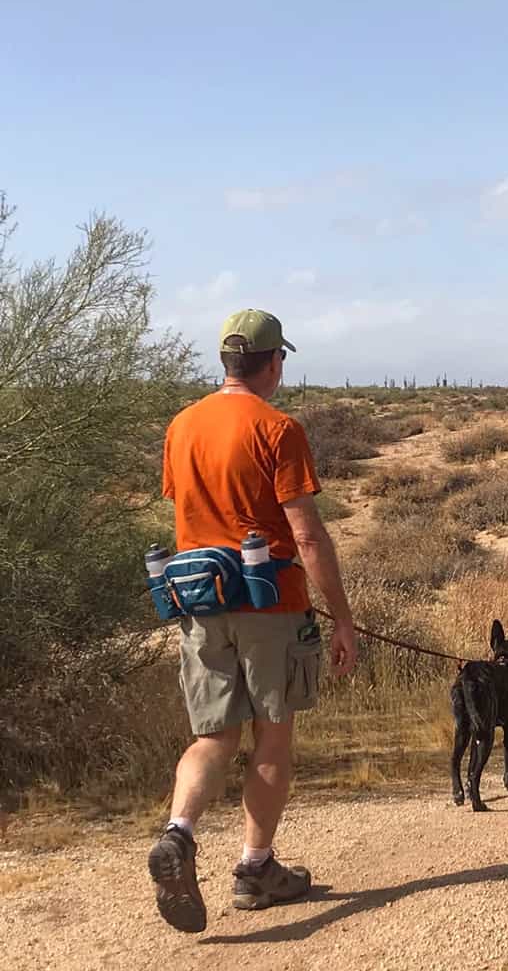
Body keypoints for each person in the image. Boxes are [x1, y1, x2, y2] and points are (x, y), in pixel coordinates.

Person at [147, 309, 358, 933]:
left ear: (224, 362)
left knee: (213, 736)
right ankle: (255, 869)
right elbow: (307, 536)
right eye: (281, 360)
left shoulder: (182, 425)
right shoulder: (278, 427)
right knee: (272, 736)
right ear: (272, 362)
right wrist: (342, 619)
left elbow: (187, 510)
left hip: (200, 605)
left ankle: (178, 833)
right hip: (270, 605)